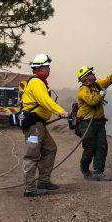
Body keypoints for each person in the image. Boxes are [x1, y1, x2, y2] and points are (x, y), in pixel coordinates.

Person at [20, 53, 69, 197]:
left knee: (50, 148)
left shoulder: (40, 82)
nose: (49, 69)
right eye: (47, 66)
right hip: (34, 126)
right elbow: (45, 101)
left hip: (39, 125)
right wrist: (60, 112)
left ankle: (43, 181)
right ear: (40, 68)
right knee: (32, 155)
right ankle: (29, 189)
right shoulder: (36, 82)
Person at [75, 64, 112, 181]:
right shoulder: (83, 90)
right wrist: (101, 94)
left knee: (102, 147)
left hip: (99, 123)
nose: (93, 74)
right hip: (86, 124)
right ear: (86, 77)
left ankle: (98, 173)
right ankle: (85, 169)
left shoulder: (97, 85)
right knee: (90, 148)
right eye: (90, 73)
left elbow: (110, 79)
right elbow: (92, 101)